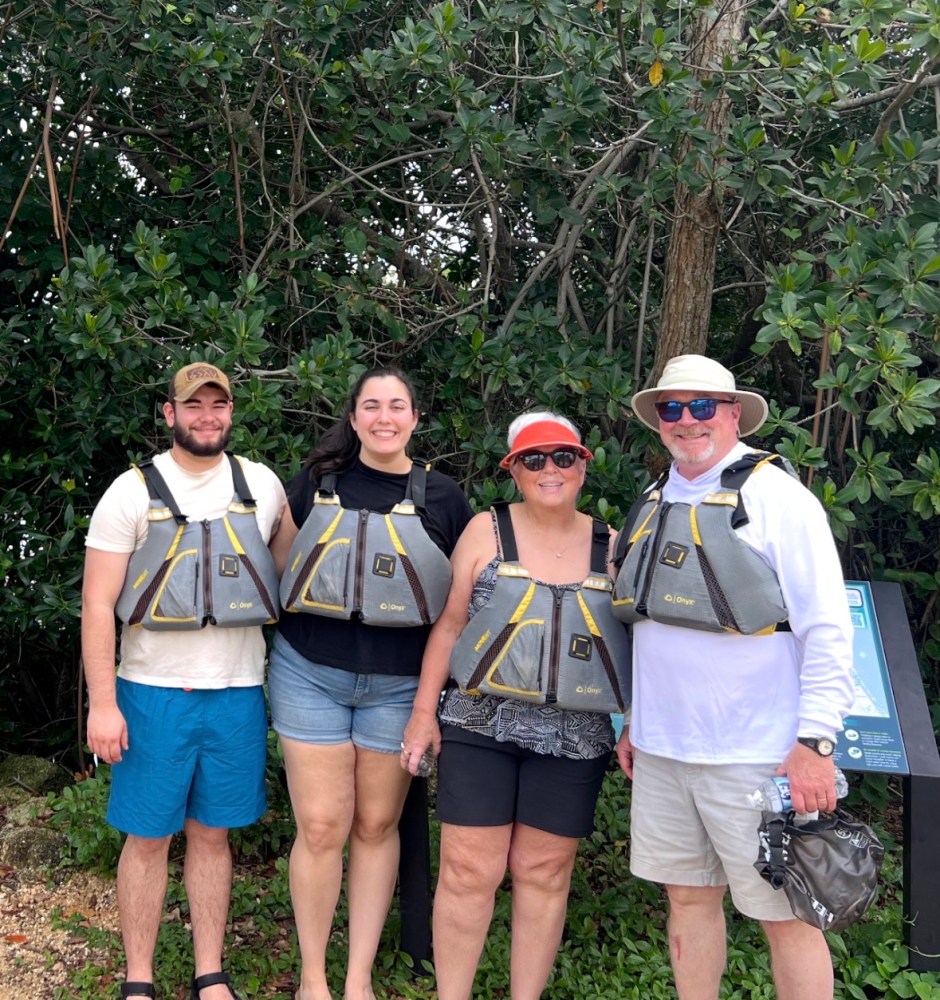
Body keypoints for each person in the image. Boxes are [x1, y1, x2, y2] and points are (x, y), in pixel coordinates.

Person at [612, 354, 855, 1000]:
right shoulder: (654, 498)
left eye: (701, 407)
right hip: (665, 749)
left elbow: (828, 626)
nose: (686, 422)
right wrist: (636, 719)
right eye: (672, 408)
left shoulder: (777, 497)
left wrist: (816, 742)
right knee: (688, 900)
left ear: (731, 413)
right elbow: (648, 622)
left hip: (760, 754)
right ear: (658, 419)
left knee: (788, 917)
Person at [401, 412, 630, 1000]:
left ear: (584, 464)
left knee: (544, 873)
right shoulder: (486, 530)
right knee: (468, 871)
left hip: (574, 736)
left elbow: (633, 647)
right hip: (479, 722)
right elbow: (451, 626)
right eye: (533, 459)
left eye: (561, 457)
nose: (548, 470)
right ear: (513, 470)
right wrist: (424, 714)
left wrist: (635, 727)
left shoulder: (612, 543)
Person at [82, 361, 287, 1000]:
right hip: (150, 691)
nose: (206, 417)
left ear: (230, 411)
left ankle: (210, 972)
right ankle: (138, 978)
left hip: (236, 690)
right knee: (147, 837)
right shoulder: (128, 491)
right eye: (192, 406)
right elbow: (95, 605)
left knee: (212, 834)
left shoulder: (263, 486)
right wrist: (103, 705)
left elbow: (294, 577)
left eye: (217, 405)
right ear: (169, 414)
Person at [268, 367, 472, 1000]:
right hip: (309, 673)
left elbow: (457, 607)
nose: (385, 417)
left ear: (415, 418)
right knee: (322, 827)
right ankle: (313, 979)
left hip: (397, 687)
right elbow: (284, 570)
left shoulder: (444, 497)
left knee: (377, 827)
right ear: (354, 419)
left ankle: (357, 978)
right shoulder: (315, 483)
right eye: (372, 406)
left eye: (398, 406)